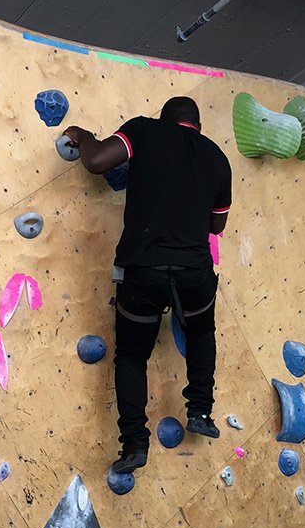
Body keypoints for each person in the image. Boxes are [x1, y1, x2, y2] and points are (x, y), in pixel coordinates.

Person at [64, 96, 232, 475]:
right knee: (201, 332)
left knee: (131, 356)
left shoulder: (144, 130)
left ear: (164, 119)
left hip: (143, 270)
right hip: (193, 273)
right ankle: (200, 411)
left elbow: (97, 161)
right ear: (198, 126)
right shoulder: (217, 158)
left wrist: (85, 136)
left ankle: (134, 445)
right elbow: (216, 225)